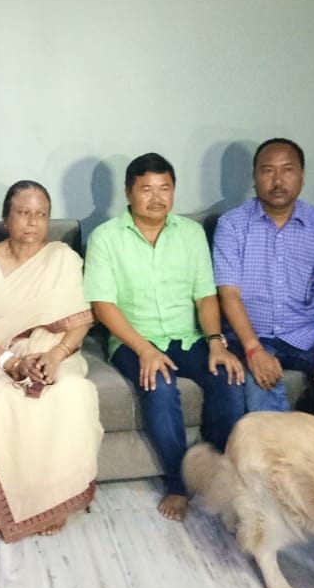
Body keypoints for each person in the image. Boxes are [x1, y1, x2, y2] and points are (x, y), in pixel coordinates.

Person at [83, 152, 245, 522]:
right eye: (146, 189)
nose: (157, 197)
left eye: (165, 188)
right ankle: (178, 482)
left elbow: (205, 297)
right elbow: (103, 305)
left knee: (229, 377)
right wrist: (144, 349)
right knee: (160, 382)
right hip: (132, 340)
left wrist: (216, 341)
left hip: (188, 337)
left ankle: (215, 469)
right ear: (129, 193)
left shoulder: (191, 233)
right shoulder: (105, 237)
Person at [0, 181, 103, 541]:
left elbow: (80, 321)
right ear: (6, 219)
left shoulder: (62, 259)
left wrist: (55, 355)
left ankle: (54, 501)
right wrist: (9, 362)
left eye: (41, 214)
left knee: (72, 392)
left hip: (55, 350)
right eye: (23, 213)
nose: (32, 222)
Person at [212, 138, 314, 413]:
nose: (277, 181)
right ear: (254, 177)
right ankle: (281, 443)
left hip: (308, 336)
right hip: (252, 335)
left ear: (301, 175)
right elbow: (229, 295)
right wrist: (253, 349)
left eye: (287, 170)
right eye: (268, 171)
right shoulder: (232, 225)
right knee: (261, 395)